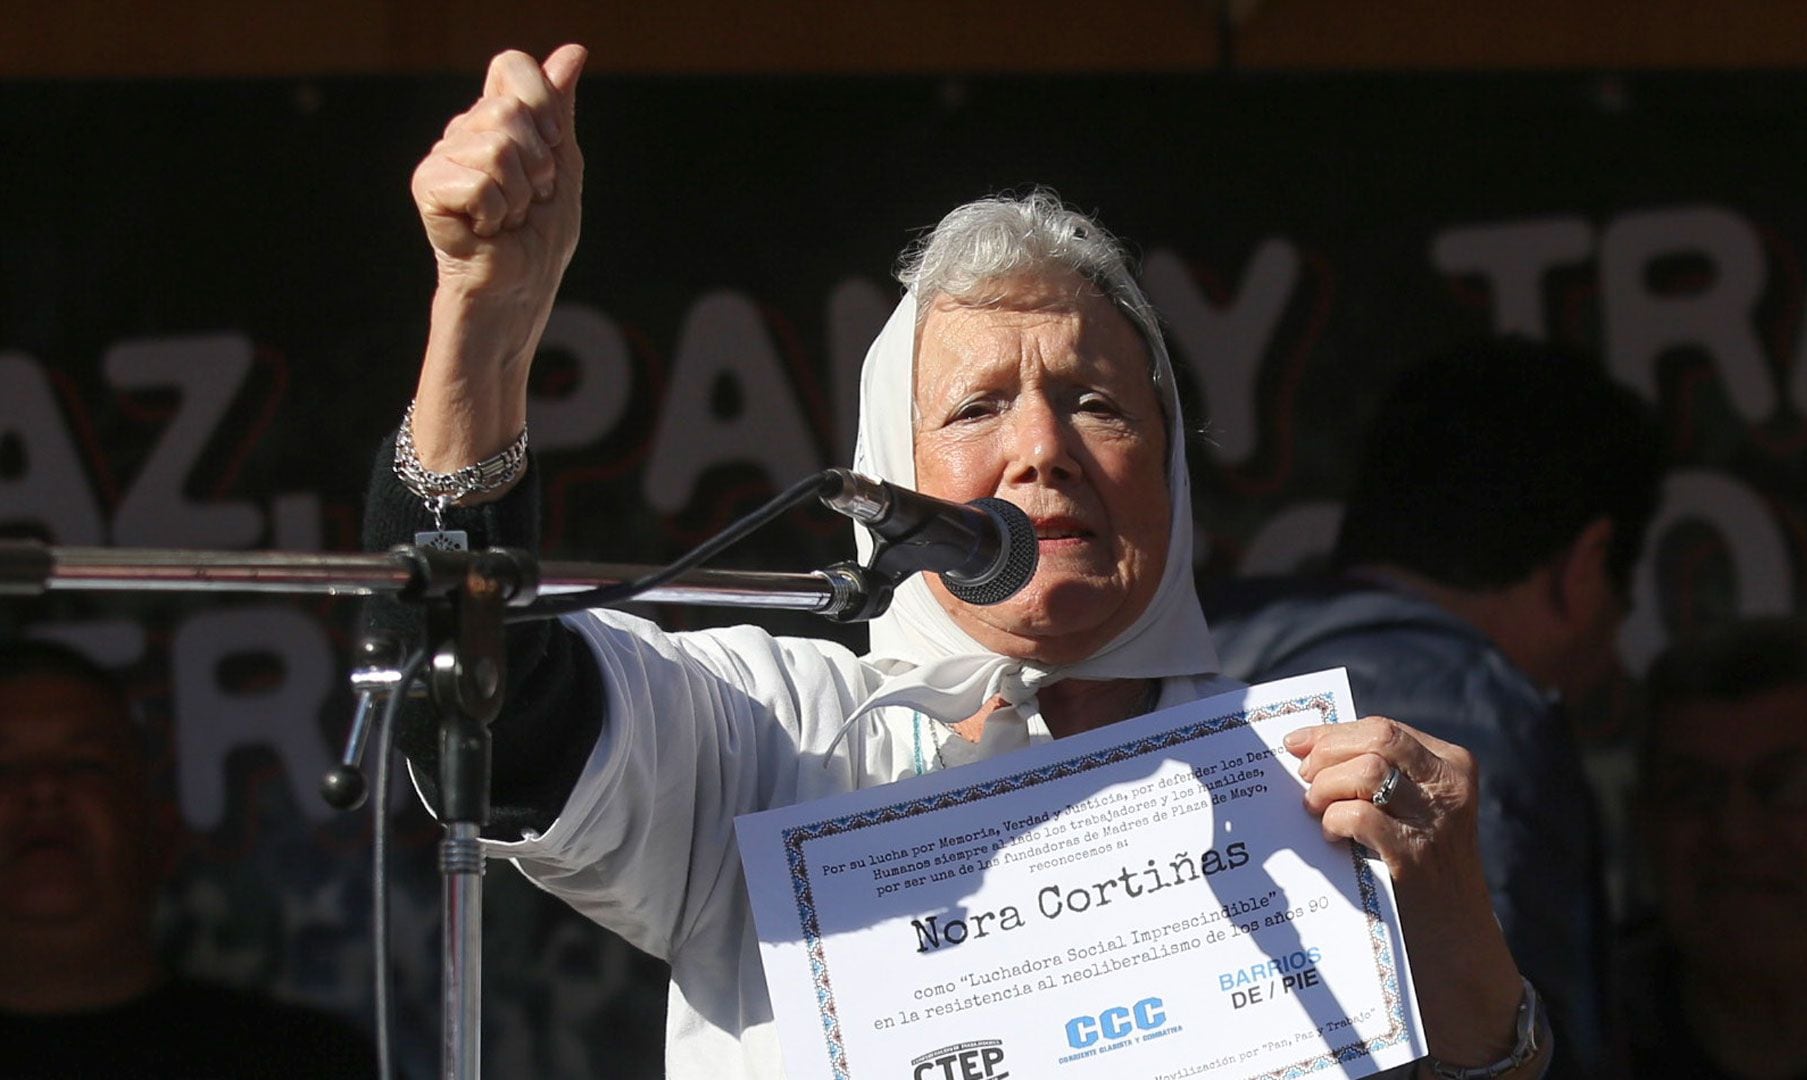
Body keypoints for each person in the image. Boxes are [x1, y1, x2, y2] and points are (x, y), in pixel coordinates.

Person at [368, 44, 1553, 1078]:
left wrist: (1456, 939)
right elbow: (489, 691)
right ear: (890, 474)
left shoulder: (1306, 784)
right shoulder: (777, 742)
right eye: (979, 409)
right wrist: (483, 316)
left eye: (1096, 403)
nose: (1042, 452)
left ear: (1171, 470)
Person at [1207, 337, 1666, 1079]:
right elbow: (1501, 1047)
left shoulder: (1188, 664)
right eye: (1627, 593)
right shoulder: (1486, 724)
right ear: (1585, 569)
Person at [0, 639, 378, 1078]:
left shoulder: (307, 1061)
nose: (44, 789)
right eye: (4, 767)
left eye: (87, 765)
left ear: (160, 832)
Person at [1618, 617, 1807, 1078]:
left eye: (1784, 786)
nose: (1737, 833)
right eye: (1692, 790)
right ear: (1644, 825)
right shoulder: (1555, 1042)